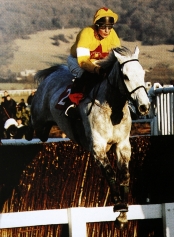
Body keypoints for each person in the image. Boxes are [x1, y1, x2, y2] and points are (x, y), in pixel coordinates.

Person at [64, 7, 121, 118]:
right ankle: (71, 104)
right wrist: (96, 69)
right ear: (97, 25)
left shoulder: (112, 35)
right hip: (77, 60)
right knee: (87, 74)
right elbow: (83, 62)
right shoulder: (86, 33)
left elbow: (117, 57)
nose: (107, 31)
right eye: (104, 27)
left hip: (98, 61)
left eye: (109, 27)